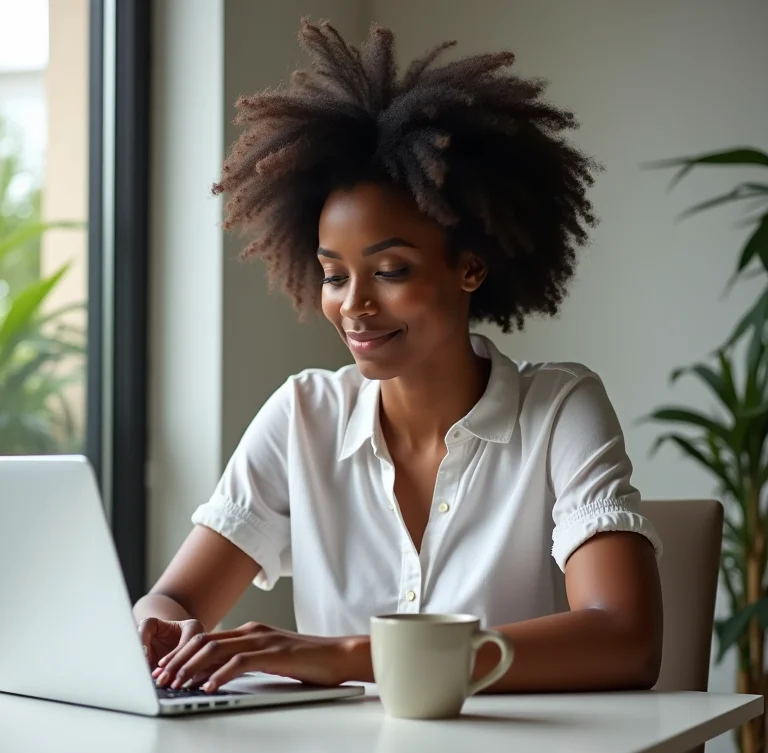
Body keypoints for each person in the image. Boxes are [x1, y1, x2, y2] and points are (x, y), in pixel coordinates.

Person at [134, 19, 663, 695]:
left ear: (469, 267)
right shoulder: (303, 415)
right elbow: (173, 599)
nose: (354, 305)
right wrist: (159, 627)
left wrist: (348, 657)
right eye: (334, 275)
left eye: (390, 271)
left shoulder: (558, 409)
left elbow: (625, 639)